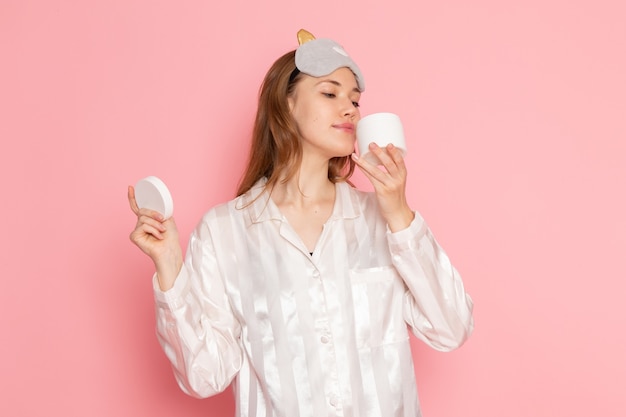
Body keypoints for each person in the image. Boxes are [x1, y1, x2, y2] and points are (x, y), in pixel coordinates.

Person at [128, 29, 474, 417]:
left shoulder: (384, 220)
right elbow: (204, 376)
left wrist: (398, 212)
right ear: (286, 104)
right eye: (330, 94)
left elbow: (452, 327)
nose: (351, 110)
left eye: (355, 100)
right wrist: (170, 266)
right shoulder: (224, 231)